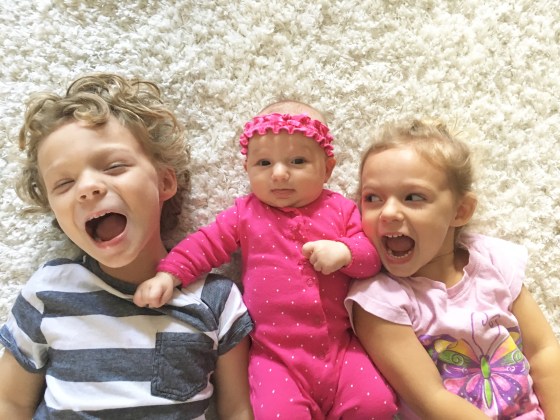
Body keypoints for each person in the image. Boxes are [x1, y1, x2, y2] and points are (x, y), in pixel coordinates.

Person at [0, 73, 254, 419]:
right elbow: (11, 402)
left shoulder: (216, 300)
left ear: (164, 182)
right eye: (64, 183)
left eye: (114, 166)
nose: (87, 188)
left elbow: (236, 409)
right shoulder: (47, 292)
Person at [133, 100, 398, 419]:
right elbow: (205, 244)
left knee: (377, 404)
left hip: (341, 349)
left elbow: (372, 257)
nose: (280, 173)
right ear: (247, 169)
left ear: (327, 168)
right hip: (276, 358)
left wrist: (345, 253)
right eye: (264, 163)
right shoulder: (245, 215)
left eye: (298, 161)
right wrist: (168, 275)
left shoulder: (341, 209)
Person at [345, 118, 560, 419]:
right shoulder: (379, 301)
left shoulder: (493, 260)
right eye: (372, 198)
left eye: (413, 197)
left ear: (460, 211)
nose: (389, 212)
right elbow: (432, 399)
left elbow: (544, 350)